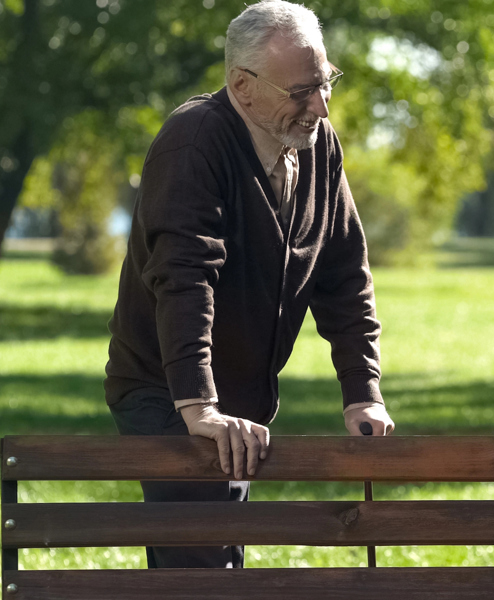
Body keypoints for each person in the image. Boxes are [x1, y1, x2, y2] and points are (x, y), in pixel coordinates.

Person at [104, 0, 393, 568]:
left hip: (241, 395)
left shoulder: (318, 145)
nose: (320, 105)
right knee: (200, 564)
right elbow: (186, 279)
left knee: (224, 558)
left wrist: (363, 391)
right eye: (301, 91)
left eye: (325, 82)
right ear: (242, 86)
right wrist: (199, 406)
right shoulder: (194, 143)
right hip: (166, 391)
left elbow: (343, 271)